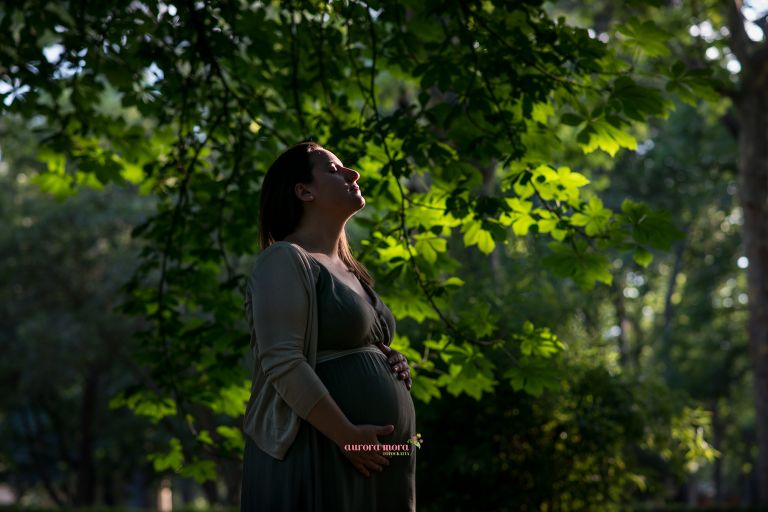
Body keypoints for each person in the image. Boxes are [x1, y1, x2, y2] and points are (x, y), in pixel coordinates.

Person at [240, 141, 417, 511]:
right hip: (323, 449)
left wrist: (391, 361)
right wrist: (347, 436)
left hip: (381, 458)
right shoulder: (284, 259)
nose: (353, 173)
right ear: (304, 191)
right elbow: (283, 361)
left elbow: (358, 344)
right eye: (334, 169)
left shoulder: (354, 272)